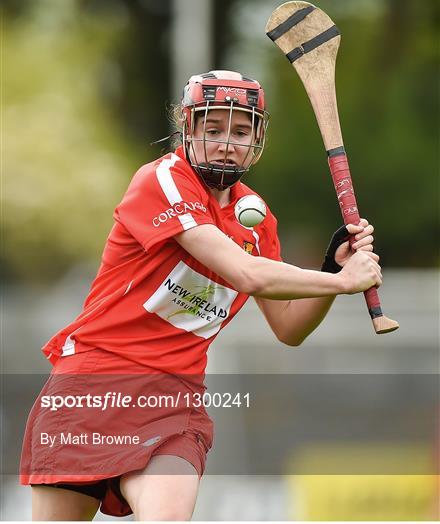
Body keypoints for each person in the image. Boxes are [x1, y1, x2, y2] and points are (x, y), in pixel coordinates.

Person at [20, 70, 381, 521]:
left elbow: (289, 327)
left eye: (241, 130)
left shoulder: (257, 221)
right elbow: (247, 274)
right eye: (213, 129)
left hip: (173, 401)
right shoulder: (164, 180)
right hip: (94, 386)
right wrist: (345, 283)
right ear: (188, 130)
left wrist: (331, 270)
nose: (227, 142)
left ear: (257, 138)